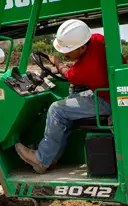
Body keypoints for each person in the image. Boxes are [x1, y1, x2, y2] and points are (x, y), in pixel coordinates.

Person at [14, 20, 111, 173]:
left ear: (82, 47)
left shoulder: (86, 68)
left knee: (57, 109)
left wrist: (58, 64)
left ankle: (42, 159)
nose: (64, 54)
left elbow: (69, 74)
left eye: (68, 51)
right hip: (109, 92)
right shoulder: (98, 39)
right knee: (67, 104)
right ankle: (52, 156)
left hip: (106, 101)